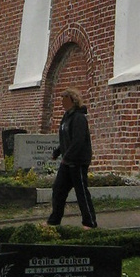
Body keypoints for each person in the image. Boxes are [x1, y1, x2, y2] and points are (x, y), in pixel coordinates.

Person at [47, 90, 97, 229]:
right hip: (68, 161)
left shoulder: (79, 118)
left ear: (72, 100)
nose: (62, 102)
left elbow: (78, 141)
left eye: (65, 99)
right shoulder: (66, 117)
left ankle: (89, 222)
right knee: (58, 189)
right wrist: (57, 152)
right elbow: (65, 138)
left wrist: (67, 156)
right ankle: (54, 221)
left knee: (81, 191)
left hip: (78, 161)